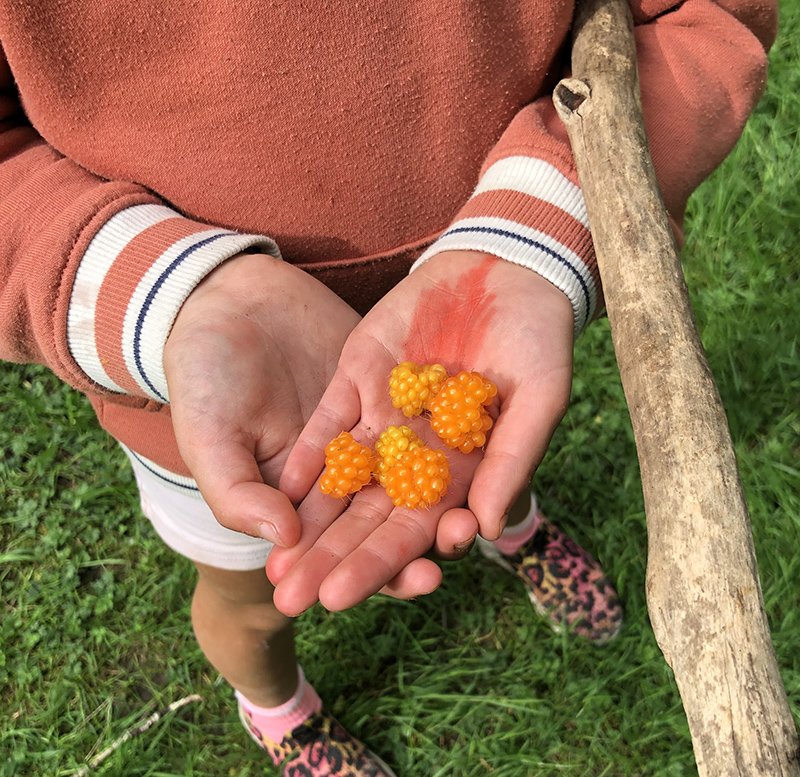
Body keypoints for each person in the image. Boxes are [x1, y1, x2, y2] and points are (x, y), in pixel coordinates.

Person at [0, 1, 776, 774]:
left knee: (494, 468)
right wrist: (162, 294)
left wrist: (539, 222)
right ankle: (278, 707)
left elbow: (699, 21)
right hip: (218, 404)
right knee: (256, 593)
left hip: (481, 325)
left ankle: (512, 527)